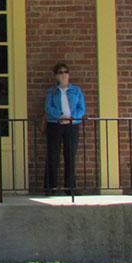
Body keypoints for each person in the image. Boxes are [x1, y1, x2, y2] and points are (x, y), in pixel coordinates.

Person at [44, 61, 86, 195]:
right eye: (60, 72)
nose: (63, 75)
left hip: (72, 126)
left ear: (69, 74)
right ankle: (51, 188)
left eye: (65, 72)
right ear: (56, 76)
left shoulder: (76, 90)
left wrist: (73, 117)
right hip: (55, 125)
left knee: (70, 156)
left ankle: (70, 188)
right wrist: (60, 116)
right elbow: (48, 107)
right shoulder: (52, 91)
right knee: (53, 155)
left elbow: (82, 108)